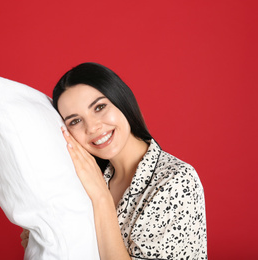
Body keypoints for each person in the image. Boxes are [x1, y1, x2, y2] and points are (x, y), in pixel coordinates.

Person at [21, 62, 207, 260]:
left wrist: (102, 198)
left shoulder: (175, 181)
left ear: (122, 100)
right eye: (75, 121)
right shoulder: (86, 183)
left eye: (99, 107)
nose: (92, 127)